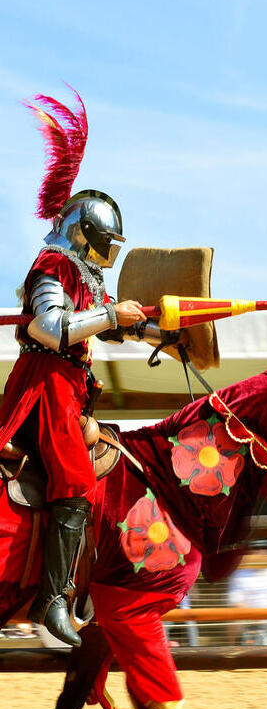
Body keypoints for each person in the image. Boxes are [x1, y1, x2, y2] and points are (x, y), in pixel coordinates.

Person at [0, 89, 153, 647]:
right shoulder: (51, 263)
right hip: (46, 385)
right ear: (83, 231)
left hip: (71, 388)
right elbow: (54, 328)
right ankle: (53, 602)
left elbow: (107, 323)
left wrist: (163, 330)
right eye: (104, 241)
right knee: (76, 480)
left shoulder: (83, 275)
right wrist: (113, 315)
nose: (108, 253)